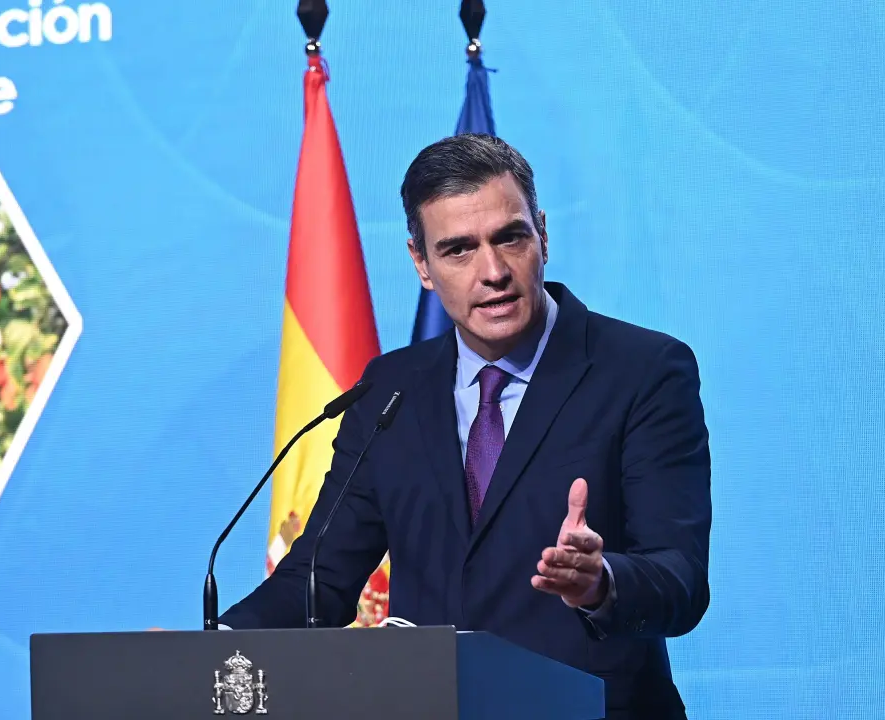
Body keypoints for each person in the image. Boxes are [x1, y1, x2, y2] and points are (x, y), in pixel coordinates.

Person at [219, 133, 711, 720]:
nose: (493, 271)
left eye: (510, 237)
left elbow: (680, 581)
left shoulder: (643, 370)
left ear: (543, 235)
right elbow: (319, 577)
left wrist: (601, 582)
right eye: (458, 250)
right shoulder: (390, 390)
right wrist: (211, 650)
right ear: (421, 264)